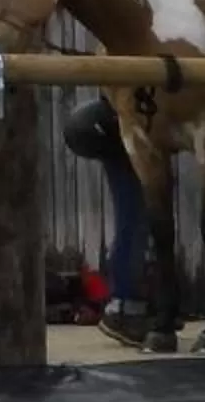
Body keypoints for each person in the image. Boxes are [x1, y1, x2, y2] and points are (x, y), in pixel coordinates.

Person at [62, 95, 152, 347]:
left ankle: (129, 303)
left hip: (104, 122)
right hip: (110, 123)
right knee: (135, 214)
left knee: (135, 213)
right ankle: (125, 306)